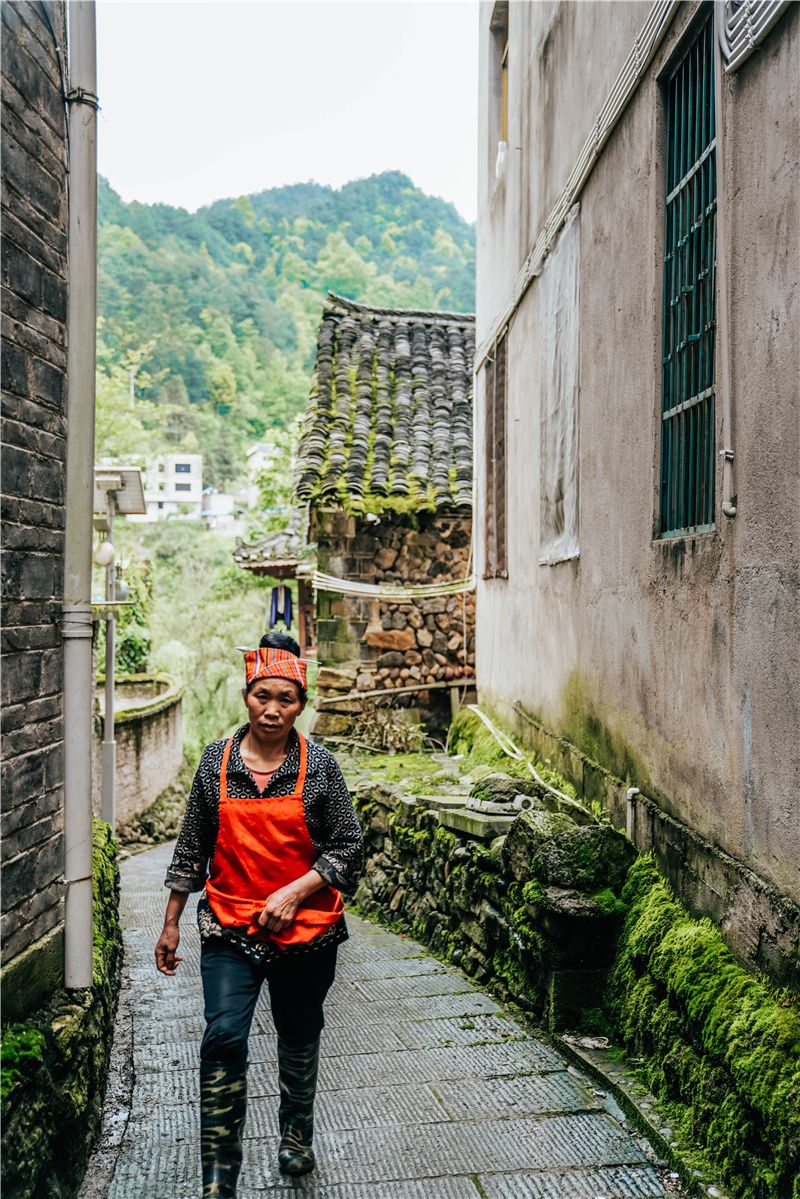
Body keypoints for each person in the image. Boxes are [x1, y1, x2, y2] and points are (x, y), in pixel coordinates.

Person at [155, 632, 364, 1197]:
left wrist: (296, 892)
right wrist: (172, 920)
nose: (273, 709)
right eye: (262, 696)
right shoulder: (215, 765)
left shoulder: (319, 766)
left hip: (308, 933)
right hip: (228, 925)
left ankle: (296, 1132)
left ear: (302, 703)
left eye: (287, 699)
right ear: (246, 695)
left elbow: (349, 846)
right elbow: (191, 846)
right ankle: (220, 1177)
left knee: (299, 1034)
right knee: (223, 1037)